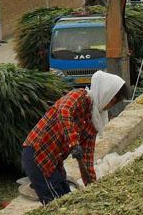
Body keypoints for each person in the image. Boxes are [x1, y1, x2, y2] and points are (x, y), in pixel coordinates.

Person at [21, 71, 128, 204]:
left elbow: (87, 157)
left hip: (54, 161)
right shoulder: (79, 96)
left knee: (68, 199)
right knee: (55, 203)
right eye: (113, 100)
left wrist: (94, 188)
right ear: (106, 93)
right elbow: (64, 112)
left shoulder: (94, 121)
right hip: (37, 154)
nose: (111, 105)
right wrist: (74, 144)